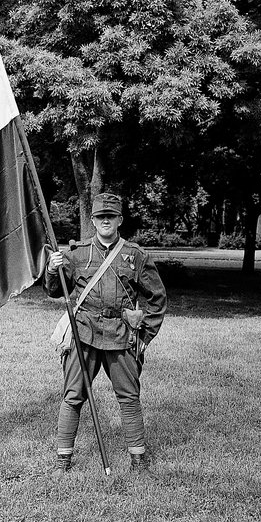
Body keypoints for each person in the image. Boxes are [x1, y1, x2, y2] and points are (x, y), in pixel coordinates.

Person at [45, 192, 167, 473]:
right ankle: (63, 460)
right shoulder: (75, 254)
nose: (105, 221)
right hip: (84, 332)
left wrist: (144, 335)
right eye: (101, 217)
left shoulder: (135, 256)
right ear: (93, 220)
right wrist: (53, 271)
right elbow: (54, 291)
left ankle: (138, 460)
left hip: (122, 334)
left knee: (129, 396)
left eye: (111, 217)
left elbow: (156, 298)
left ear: (120, 220)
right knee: (73, 395)